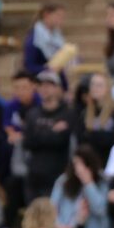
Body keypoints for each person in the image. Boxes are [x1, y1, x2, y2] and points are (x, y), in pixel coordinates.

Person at [52, 146, 108, 228]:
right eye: (76, 163)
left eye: (82, 164)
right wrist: (60, 227)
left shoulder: (101, 181)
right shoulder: (63, 181)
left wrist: (88, 183)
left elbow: (100, 209)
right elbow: (52, 208)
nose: (79, 168)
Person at [23, 70, 75, 203]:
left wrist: (40, 133)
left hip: (57, 174)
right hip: (34, 175)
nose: (45, 88)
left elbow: (61, 141)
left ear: (58, 88)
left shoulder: (68, 113)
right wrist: (52, 131)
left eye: (50, 84)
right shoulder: (32, 113)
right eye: (41, 85)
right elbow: (28, 141)